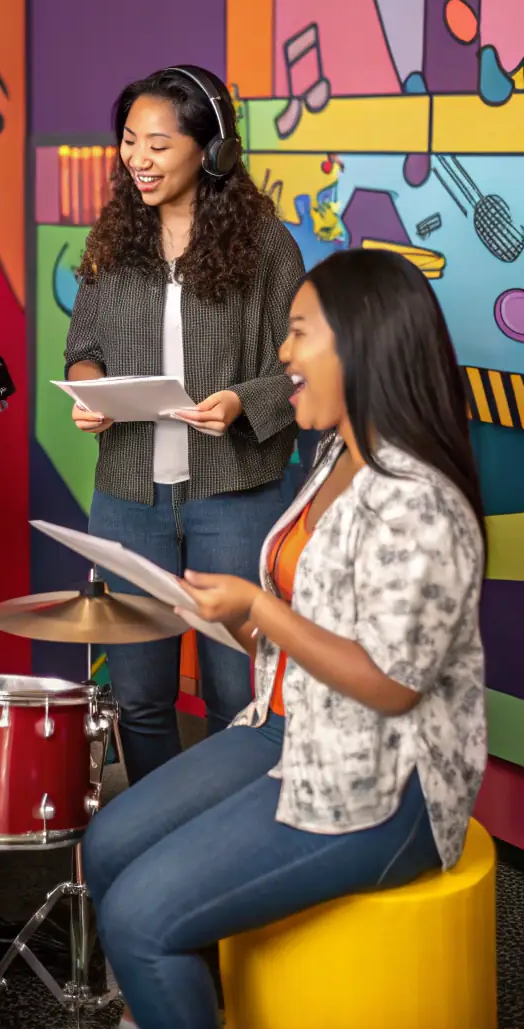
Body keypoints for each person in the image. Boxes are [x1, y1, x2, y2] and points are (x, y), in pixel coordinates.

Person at [83, 248, 488, 1029]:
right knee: (108, 844)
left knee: (136, 917)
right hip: (288, 725)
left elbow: (392, 684)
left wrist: (259, 609)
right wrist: (215, 613)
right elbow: (310, 625)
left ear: (360, 343)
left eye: (300, 331)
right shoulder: (335, 455)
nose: (283, 350)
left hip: (385, 778)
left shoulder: (421, 502)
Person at [65, 65, 304, 781]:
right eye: (129, 141)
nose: (137, 158)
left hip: (234, 496)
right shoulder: (111, 241)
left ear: (212, 150)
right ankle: (155, 827)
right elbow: (84, 348)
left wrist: (241, 403)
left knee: (238, 698)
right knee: (139, 698)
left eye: (159, 144)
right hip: (127, 498)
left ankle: (231, 833)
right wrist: (90, 389)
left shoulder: (267, 246)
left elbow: (302, 372)